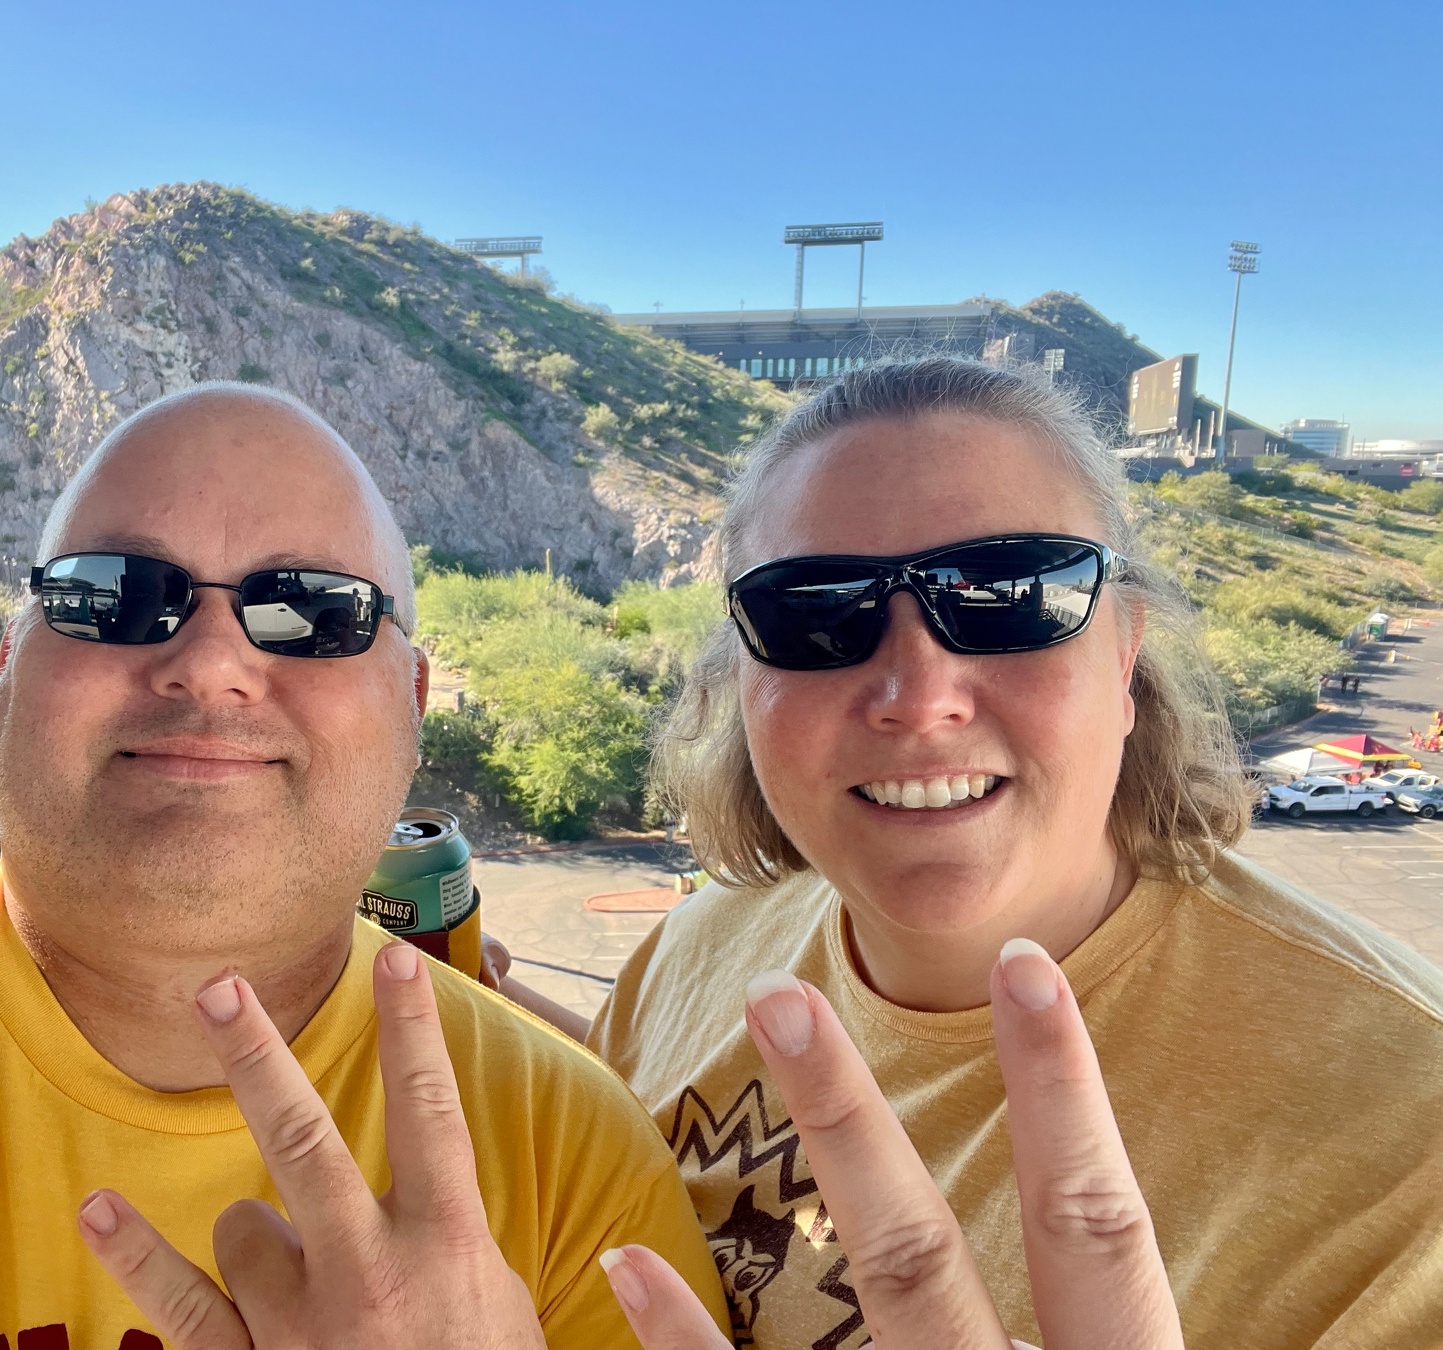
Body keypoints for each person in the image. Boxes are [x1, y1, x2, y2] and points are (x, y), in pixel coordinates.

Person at [0, 385, 727, 1348]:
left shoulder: (570, 1158)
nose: (211, 661)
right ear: (12, 666)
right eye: (111, 595)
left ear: (413, 701)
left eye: (312, 610)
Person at [491, 357, 1443, 1347]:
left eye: (1011, 595)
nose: (918, 691)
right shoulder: (699, 950)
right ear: (741, 679)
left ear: (1123, 654)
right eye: (813, 613)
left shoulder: (1409, 1139)